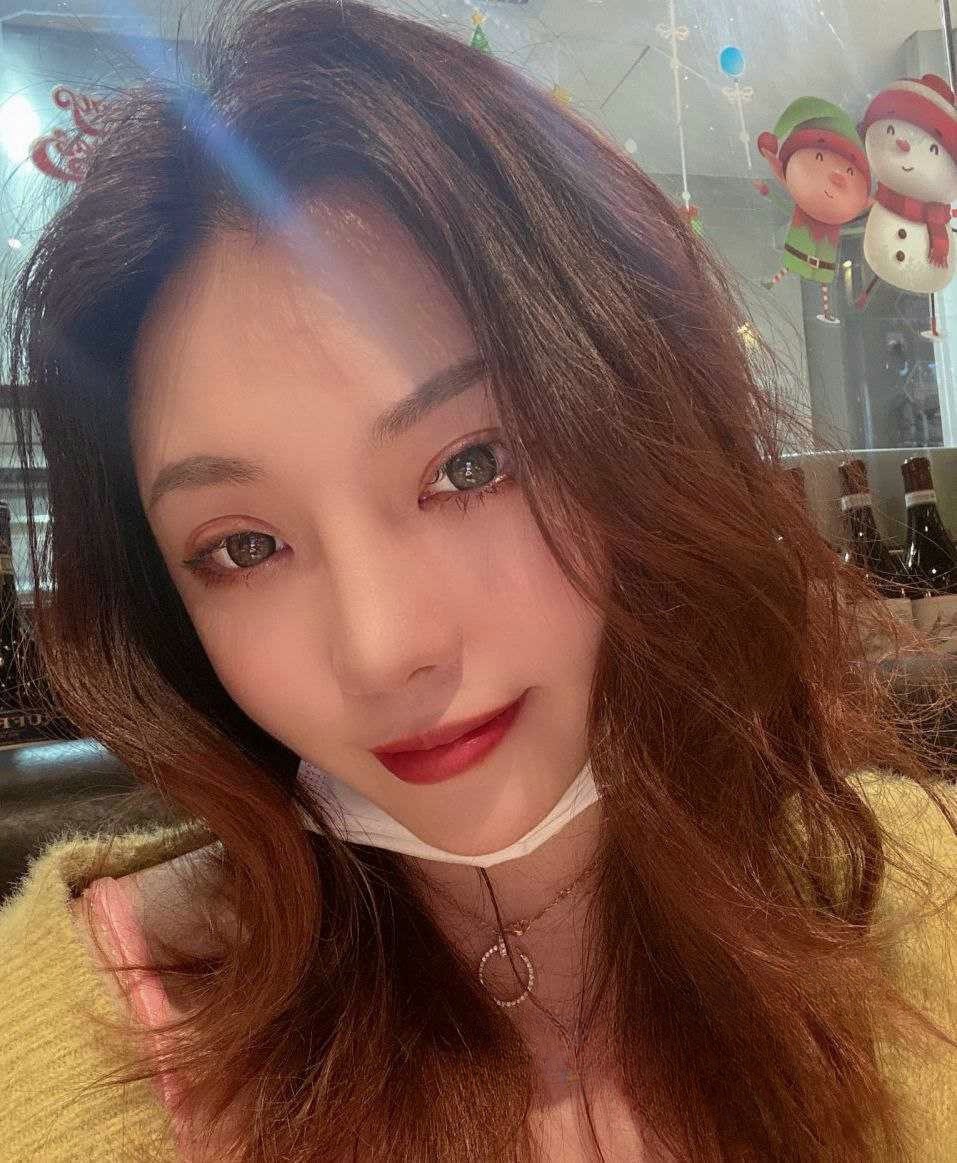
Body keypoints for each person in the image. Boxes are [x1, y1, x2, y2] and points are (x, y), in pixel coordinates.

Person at [0, 2, 954, 1160]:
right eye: (243, 547)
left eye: (471, 465)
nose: (385, 647)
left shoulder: (919, 898)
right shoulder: (76, 1028)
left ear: (644, 427)